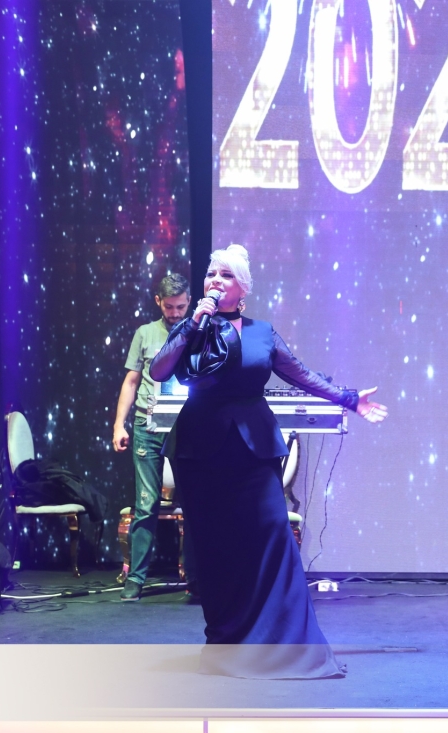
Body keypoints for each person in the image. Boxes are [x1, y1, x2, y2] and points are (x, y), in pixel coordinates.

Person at [149, 244, 387, 679]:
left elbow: (302, 375)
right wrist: (193, 322)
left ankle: (287, 645)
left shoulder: (262, 333)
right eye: (211, 273)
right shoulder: (192, 327)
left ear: (243, 289)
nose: (215, 281)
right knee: (215, 548)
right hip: (199, 451)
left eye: (226, 275)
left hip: (253, 449)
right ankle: (228, 646)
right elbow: (159, 371)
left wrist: (350, 399)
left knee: (273, 538)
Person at [112, 273, 193, 601]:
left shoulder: (199, 331)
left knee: (194, 504)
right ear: (158, 301)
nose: (175, 313)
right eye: (169, 307)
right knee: (145, 504)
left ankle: (196, 578)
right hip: (147, 427)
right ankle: (136, 579)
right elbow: (131, 381)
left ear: (189, 302)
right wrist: (119, 425)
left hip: (187, 427)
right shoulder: (145, 333)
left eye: (181, 307)